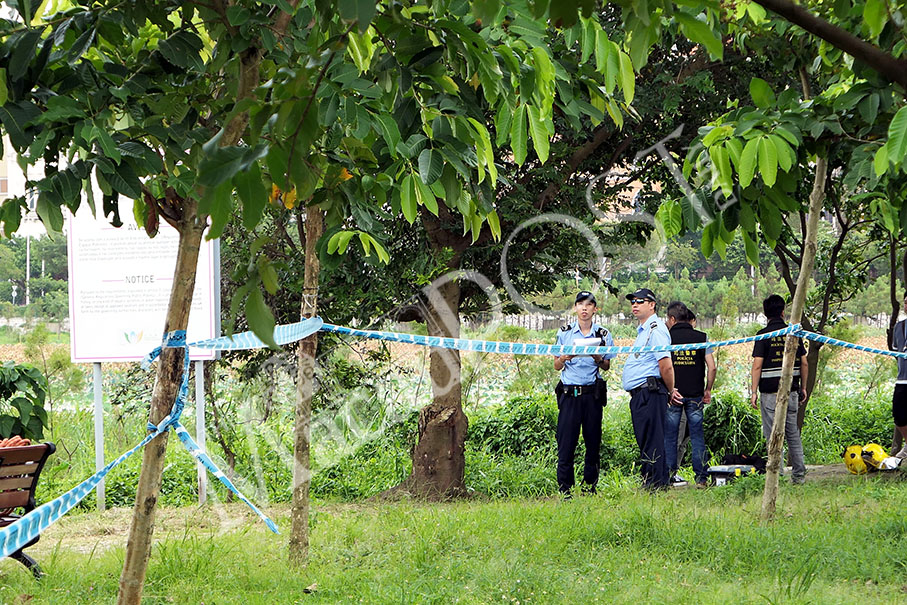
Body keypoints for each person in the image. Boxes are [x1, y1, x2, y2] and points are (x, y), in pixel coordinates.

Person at [553, 291, 615, 497]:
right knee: (566, 444)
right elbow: (555, 365)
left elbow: (606, 366)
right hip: (569, 394)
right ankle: (565, 490)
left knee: (592, 442)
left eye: (589, 305)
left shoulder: (603, 334)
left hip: (591, 395)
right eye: (580, 304)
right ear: (575, 308)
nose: (584, 308)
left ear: (595, 309)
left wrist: (597, 356)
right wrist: (565, 357)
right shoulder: (564, 333)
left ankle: (590, 487)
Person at [750, 294, 808, 484]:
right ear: (783, 312)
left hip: (768, 394)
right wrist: (803, 388)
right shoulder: (793, 333)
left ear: (765, 314)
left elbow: (757, 365)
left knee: (772, 435)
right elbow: (804, 363)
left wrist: (752, 392)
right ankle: (799, 476)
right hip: (791, 391)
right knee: (792, 435)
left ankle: (778, 476)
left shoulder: (763, 335)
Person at [621, 288, 674, 490]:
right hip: (641, 394)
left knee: (652, 441)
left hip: (650, 392)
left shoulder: (656, 329)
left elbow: (665, 365)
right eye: (633, 301)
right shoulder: (644, 330)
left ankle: (656, 485)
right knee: (646, 440)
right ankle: (651, 481)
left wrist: (670, 390)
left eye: (640, 301)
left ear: (652, 305)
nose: (635, 304)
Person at [665, 302, 716, 487]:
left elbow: (662, 365)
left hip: (673, 396)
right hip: (696, 395)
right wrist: (708, 389)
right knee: (697, 437)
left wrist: (668, 389)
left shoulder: (667, 338)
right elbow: (712, 367)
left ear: (672, 319)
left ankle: (668, 475)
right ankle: (701, 478)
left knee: (670, 436)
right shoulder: (701, 337)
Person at [889, 292, 907, 459]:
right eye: (906, 302)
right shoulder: (899, 327)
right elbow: (897, 351)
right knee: (899, 414)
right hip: (903, 379)